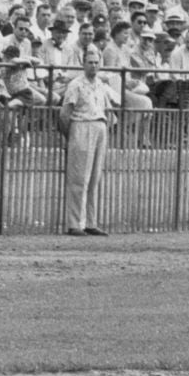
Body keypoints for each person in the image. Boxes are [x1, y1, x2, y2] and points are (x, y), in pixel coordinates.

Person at [57, 45, 113, 237]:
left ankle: (90, 222)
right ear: (83, 64)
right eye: (90, 62)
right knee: (79, 178)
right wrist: (71, 135)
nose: (93, 66)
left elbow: (108, 109)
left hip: (99, 126)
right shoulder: (75, 84)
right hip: (81, 125)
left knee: (95, 177)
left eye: (96, 62)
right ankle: (75, 224)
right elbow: (65, 114)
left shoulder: (101, 84)